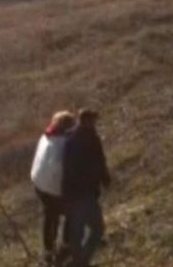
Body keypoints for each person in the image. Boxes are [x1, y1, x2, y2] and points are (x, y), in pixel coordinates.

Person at [63, 109, 111, 267]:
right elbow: (100, 162)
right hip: (86, 192)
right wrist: (106, 181)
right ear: (88, 121)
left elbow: (65, 165)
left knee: (77, 232)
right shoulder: (91, 138)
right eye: (93, 120)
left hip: (70, 192)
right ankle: (82, 261)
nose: (95, 124)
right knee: (97, 228)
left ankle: (78, 261)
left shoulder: (69, 138)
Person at [31, 111, 76, 266]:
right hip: (54, 187)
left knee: (50, 216)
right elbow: (63, 169)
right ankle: (66, 245)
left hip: (39, 184)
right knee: (73, 211)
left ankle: (48, 250)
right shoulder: (66, 144)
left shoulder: (46, 137)